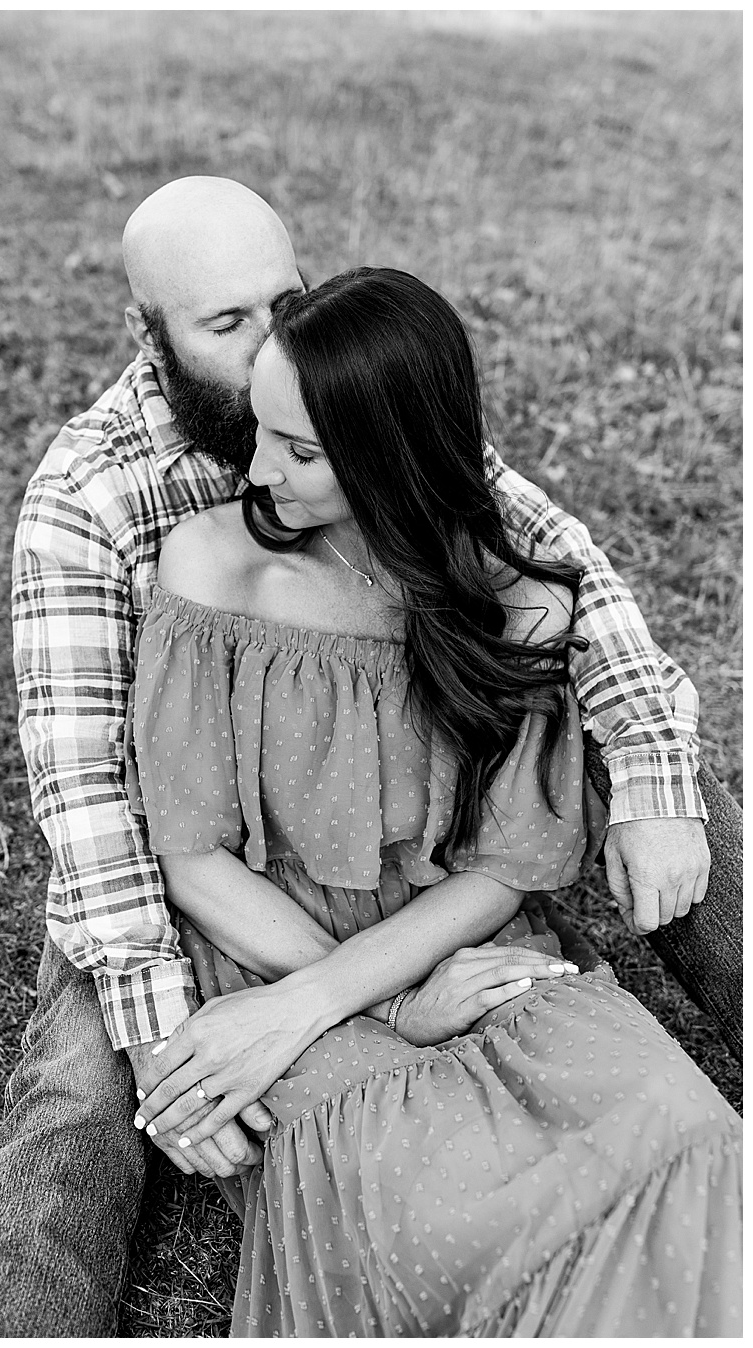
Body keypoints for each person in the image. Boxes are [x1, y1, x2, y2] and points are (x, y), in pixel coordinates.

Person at [0, 176, 730, 1334]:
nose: (270, 345)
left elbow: (563, 576)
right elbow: (107, 812)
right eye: (227, 325)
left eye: (285, 301)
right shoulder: (90, 497)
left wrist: (654, 781)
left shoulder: (344, 383)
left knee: (675, 786)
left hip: (429, 817)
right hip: (180, 877)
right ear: (146, 333)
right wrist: (187, 1034)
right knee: (78, 1100)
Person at [126, 266, 739, 1333]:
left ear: (391, 457)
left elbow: (506, 866)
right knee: (449, 1221)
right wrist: (371, 1006)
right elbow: (194, 857)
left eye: (301, 452)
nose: (258, 470)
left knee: (681, 1130)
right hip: (276, 963)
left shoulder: (518, 605)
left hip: (465, 939)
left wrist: (427, 988)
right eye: (264, 433)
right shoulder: (214, 570)